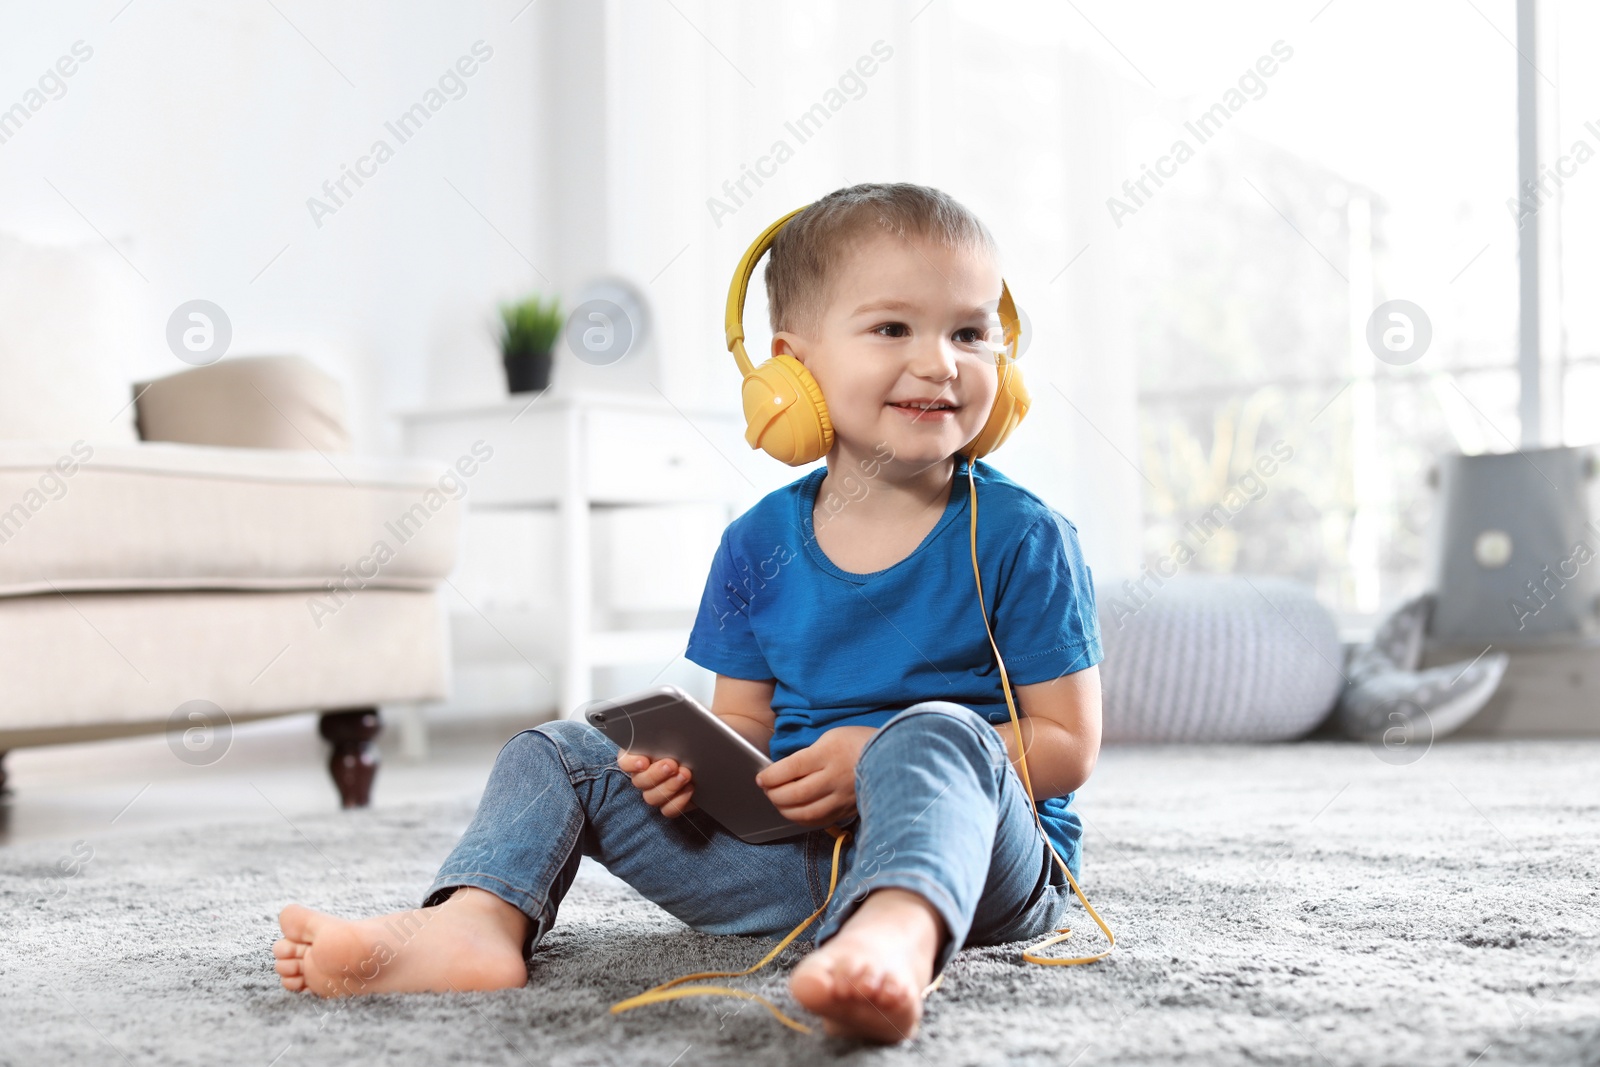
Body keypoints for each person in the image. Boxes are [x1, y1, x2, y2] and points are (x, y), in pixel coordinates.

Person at [271, 182, 1104, 1045]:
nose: (941, 361)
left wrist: (878, 759)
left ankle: (895, 933)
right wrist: (693, 773)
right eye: (893, 328)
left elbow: (1066, 745)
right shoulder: (756, 542)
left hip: (982, 873)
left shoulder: (1022, 536)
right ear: (793, 368)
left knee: (935, 730)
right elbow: (741, 720)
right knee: (558, 751)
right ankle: (477, 924)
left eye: (970, 332)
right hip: (792, 867)